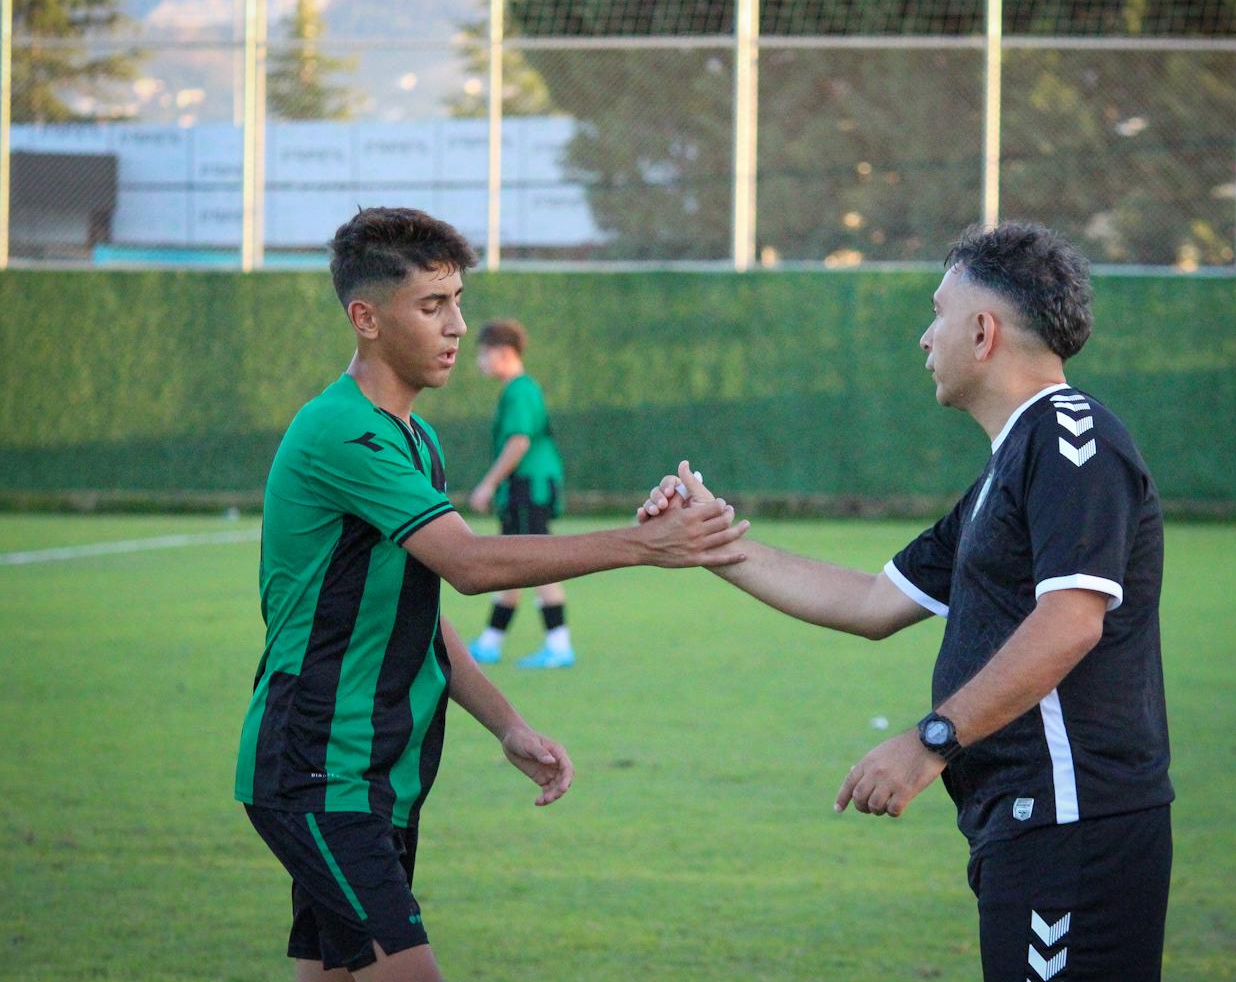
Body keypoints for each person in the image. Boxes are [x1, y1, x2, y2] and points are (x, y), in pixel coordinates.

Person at [640, 222, 1173, 981]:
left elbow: (1070, 623)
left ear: (983, 331)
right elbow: (871, 602)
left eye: (938, 314)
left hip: (1073, 823)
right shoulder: (1005, 471)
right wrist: (709, 540)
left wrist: (930, 741)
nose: (926, 338)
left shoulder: (1070, 436)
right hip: (1027, 827)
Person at [234, 206, 749, 982]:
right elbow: (469, 566)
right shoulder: (342, 431)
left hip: (375, 772)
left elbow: (415, 614)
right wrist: (644, 545)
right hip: (317, 769)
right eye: (432, 305)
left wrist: (508, 725)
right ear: (365, 318)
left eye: (458, 301)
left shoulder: (416, 438)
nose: (455, 326)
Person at [466, 319, 573, 669]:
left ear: (504, 353)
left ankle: (559, 646)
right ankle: (490, 642)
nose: (480, 362)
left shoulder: (519, 390)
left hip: (528, 489)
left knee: (536, 564)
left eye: (484, 354)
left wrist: (488, 483)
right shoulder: (518, 389)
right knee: (512, 564)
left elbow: (519, 441)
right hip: (525, 490)